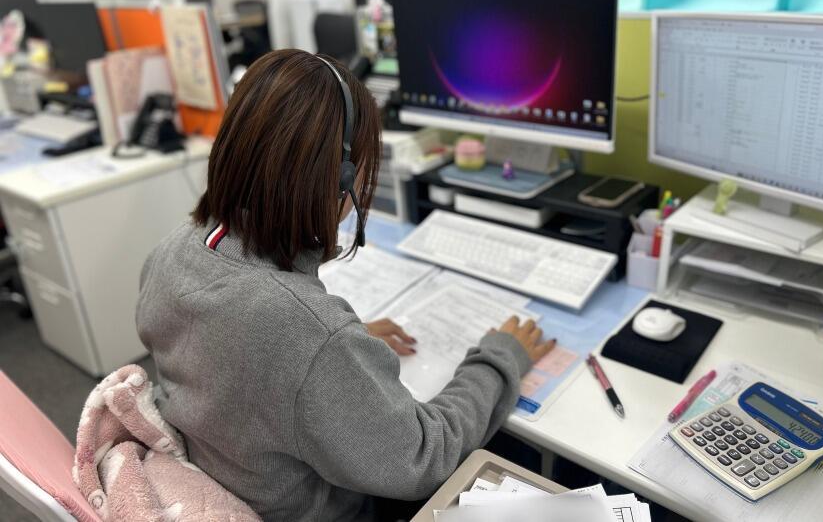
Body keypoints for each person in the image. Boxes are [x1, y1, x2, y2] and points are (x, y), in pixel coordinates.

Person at [136, 49, 555, 521]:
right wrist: (500, 359)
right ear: (338, 182)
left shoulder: (175, 251)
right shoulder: (301, 332)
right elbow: (422, 458)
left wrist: (332, 355)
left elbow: (242, 353)